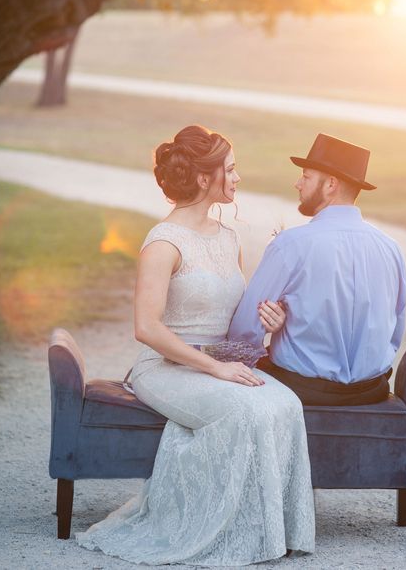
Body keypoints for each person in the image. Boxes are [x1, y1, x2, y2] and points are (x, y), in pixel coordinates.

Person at [76, 125, 315, 566]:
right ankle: (214, 527)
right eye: (231, 168)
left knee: (286, 404)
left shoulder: (228, 237)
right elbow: (147, 328)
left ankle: (271, 529)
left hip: (217, 362)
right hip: (165, 367)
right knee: (245, 410)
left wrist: (271, 320)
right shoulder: (163, 243)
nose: (238, 177)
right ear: (204, 178)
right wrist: (214, 369)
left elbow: (235, 316)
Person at [229, 133, 406, 407]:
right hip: (371, 390)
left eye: (306, 176)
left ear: (331, 184)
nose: (297, 183)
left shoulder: (291, 245)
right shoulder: (391, 248)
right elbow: (395, 329)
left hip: (301, 389)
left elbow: (243, 333)